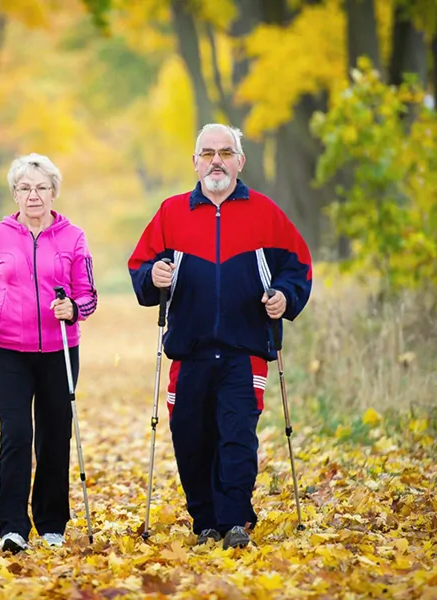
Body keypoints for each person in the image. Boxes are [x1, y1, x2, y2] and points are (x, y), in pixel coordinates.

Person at [127, 123, 312, 550]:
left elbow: (298, 265)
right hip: (187, 351)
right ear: (194, 163)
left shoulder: (264, 212)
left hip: (244, 349)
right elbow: (140, 266)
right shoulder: (171, 213)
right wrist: (152, 276)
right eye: (208, 153)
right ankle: (205, 520)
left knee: (236, 436)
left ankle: (234, 522)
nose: (216, 161)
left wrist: (285, 296)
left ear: (239, 162)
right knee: (190, 436)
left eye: (226, 153)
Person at [0, 152, 98, 554]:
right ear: (15, 194)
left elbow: (88, 295)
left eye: (41, 188)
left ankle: (52, 522)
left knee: (55, 437)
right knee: (17, 435)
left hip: (60, 349)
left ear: (54, 192)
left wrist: (73, 308)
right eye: (25, 188)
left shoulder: (73, 237)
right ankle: (12, 527)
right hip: (9, 350)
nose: (33, 195)